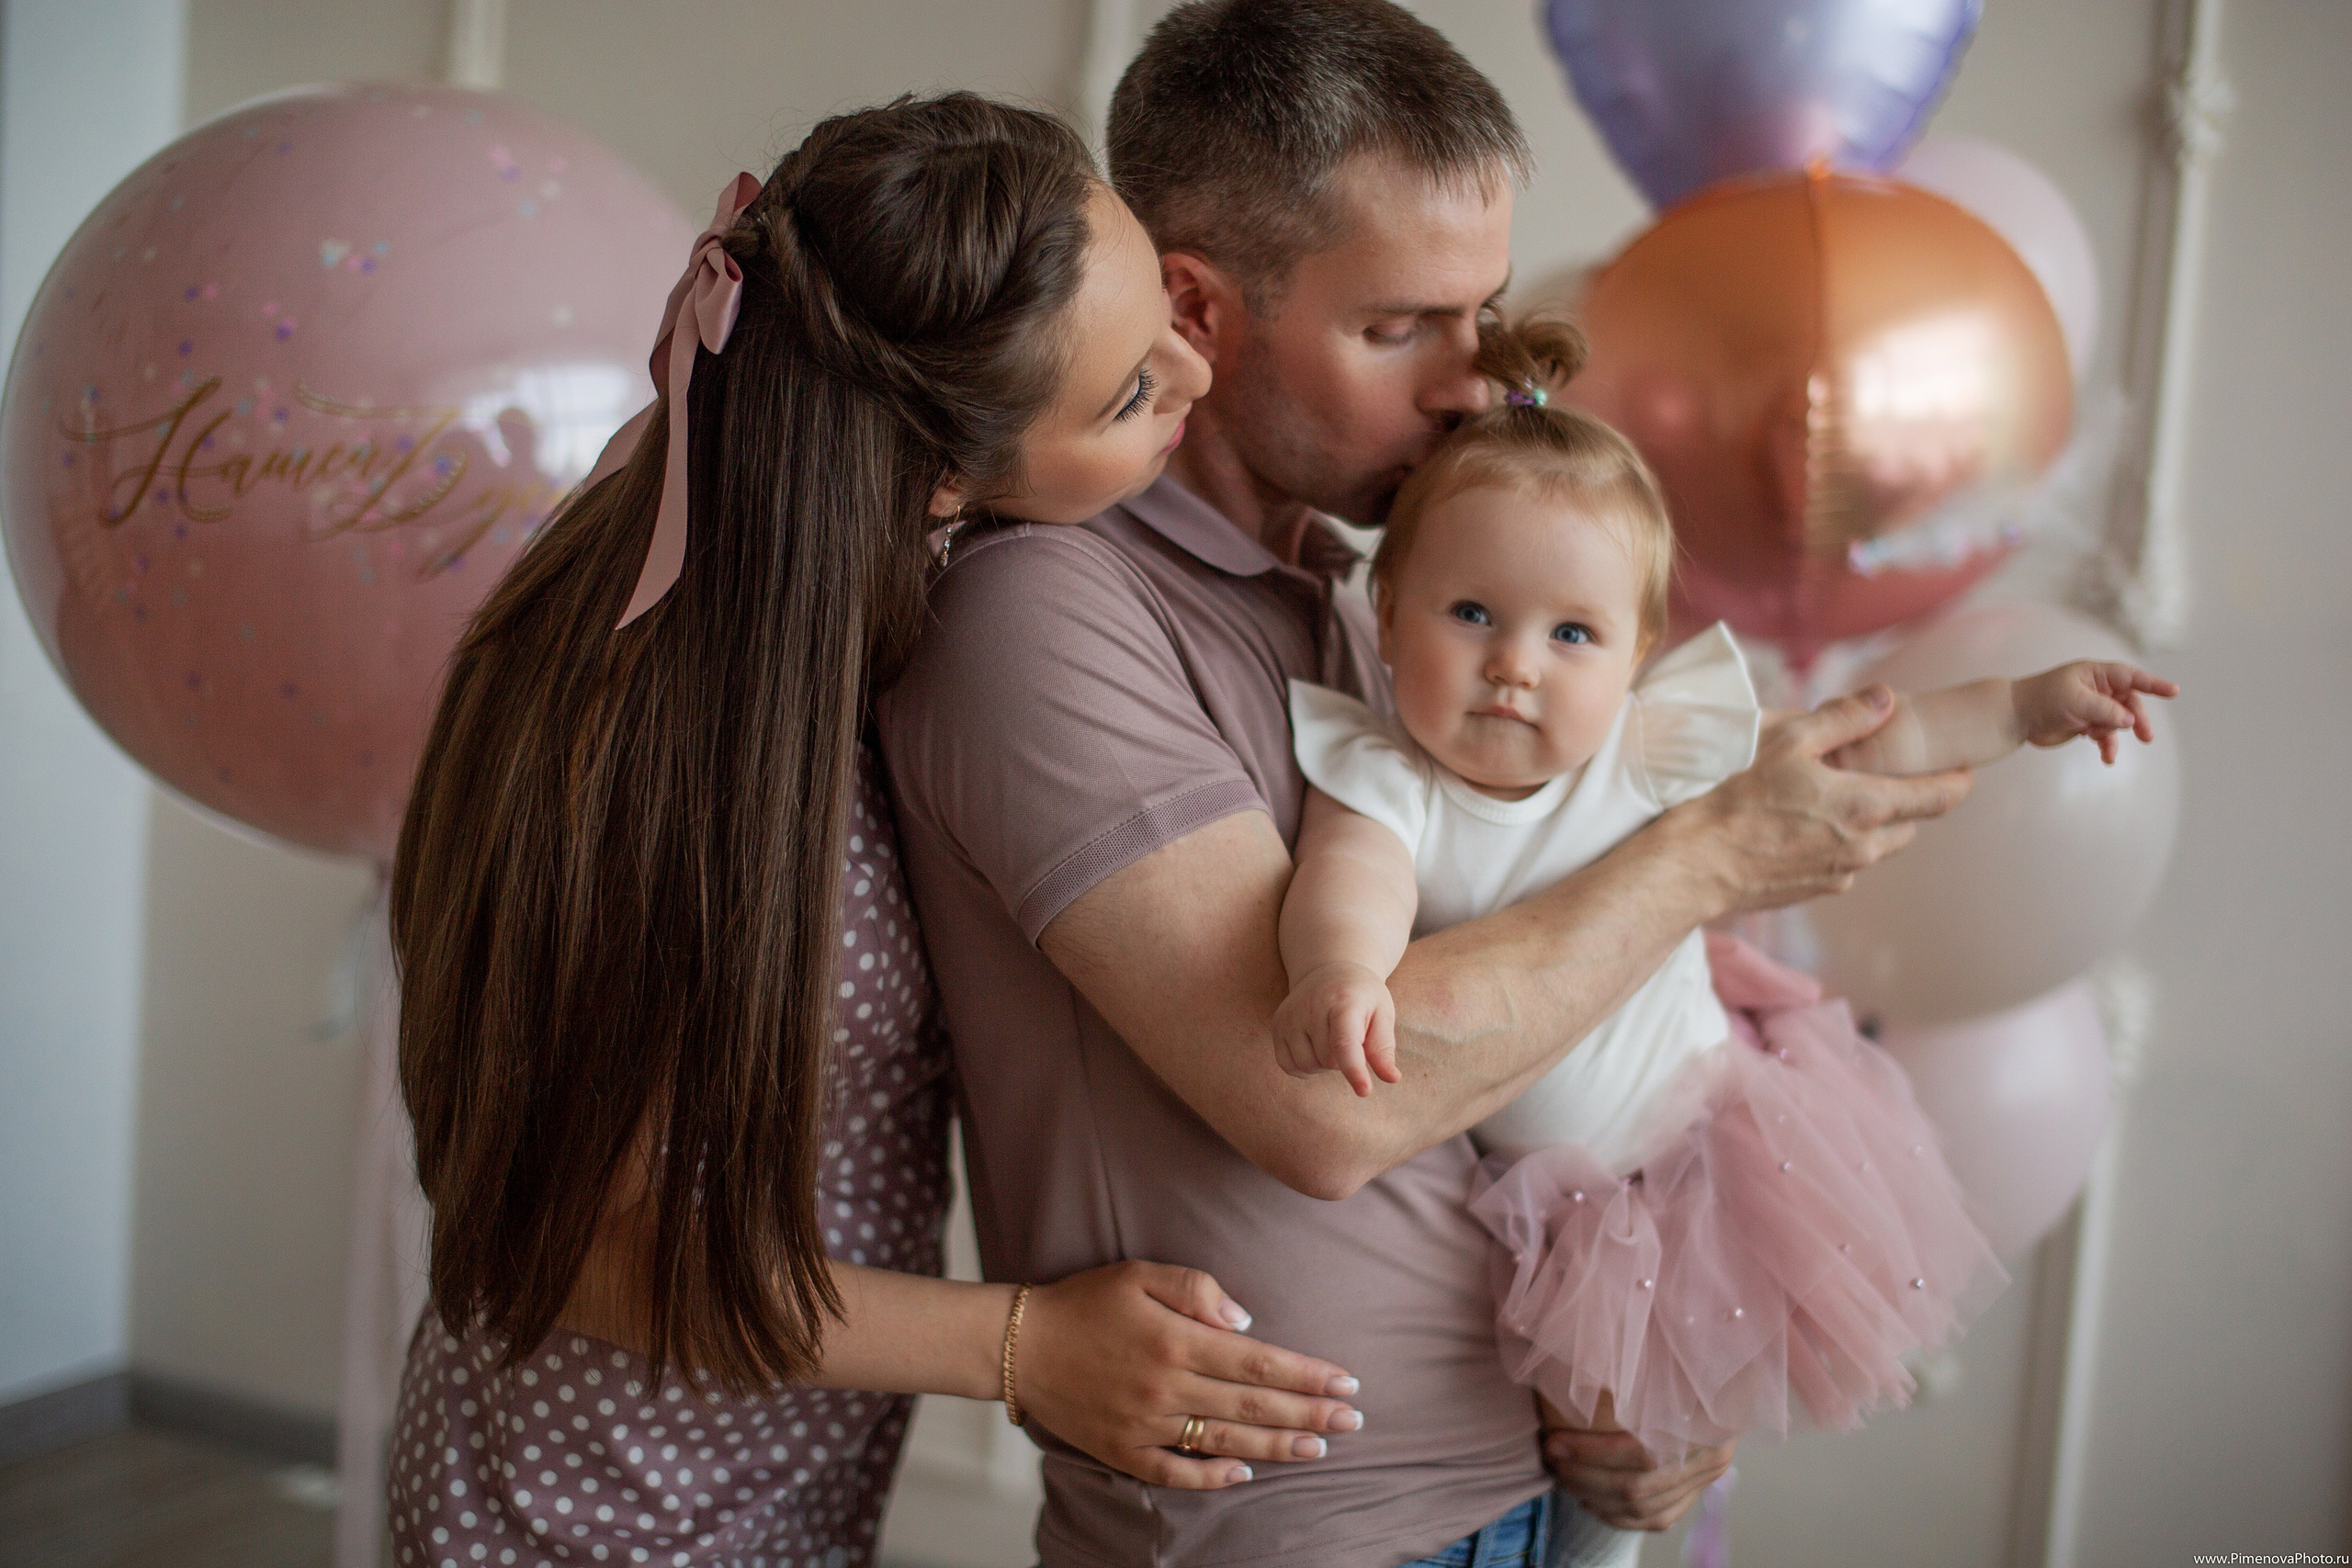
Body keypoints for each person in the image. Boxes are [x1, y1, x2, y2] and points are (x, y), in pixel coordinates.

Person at [875, 4, 1973, 1564]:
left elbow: (1555, 988)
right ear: (1196, 307)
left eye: (1487, 314)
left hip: (1529, 1484)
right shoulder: (1041, 608)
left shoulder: (1363, 588)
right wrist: (1714, 855)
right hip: (1313, 1535)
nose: (1473, 386)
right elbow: (1319, 1106)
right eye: (1404, 328)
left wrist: (1664, 1376)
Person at [383, 95, 1368, 1568]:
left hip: (793, 1478)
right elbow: (555, 1244)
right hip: (590, 1512)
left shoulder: (860, 600)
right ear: (943, 472)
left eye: (1163, 304)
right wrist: (1024, 1347)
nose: (1194, 365)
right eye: (1124, 397)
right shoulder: (636, 717)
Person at [1272, 320, 2177, 1566]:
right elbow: (1348, 887)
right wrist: (1338, 974)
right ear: (1388, 616)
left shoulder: (1648, 748)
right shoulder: (1388, 782)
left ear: (1637, 654)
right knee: (1584, 1432)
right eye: (1472, 613)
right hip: (1559, 1204)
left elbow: (1868, 738)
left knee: (1643, 1450)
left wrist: (2022, 707)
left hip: (1707, 1146)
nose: (1515, 669)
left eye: (1570, 635)